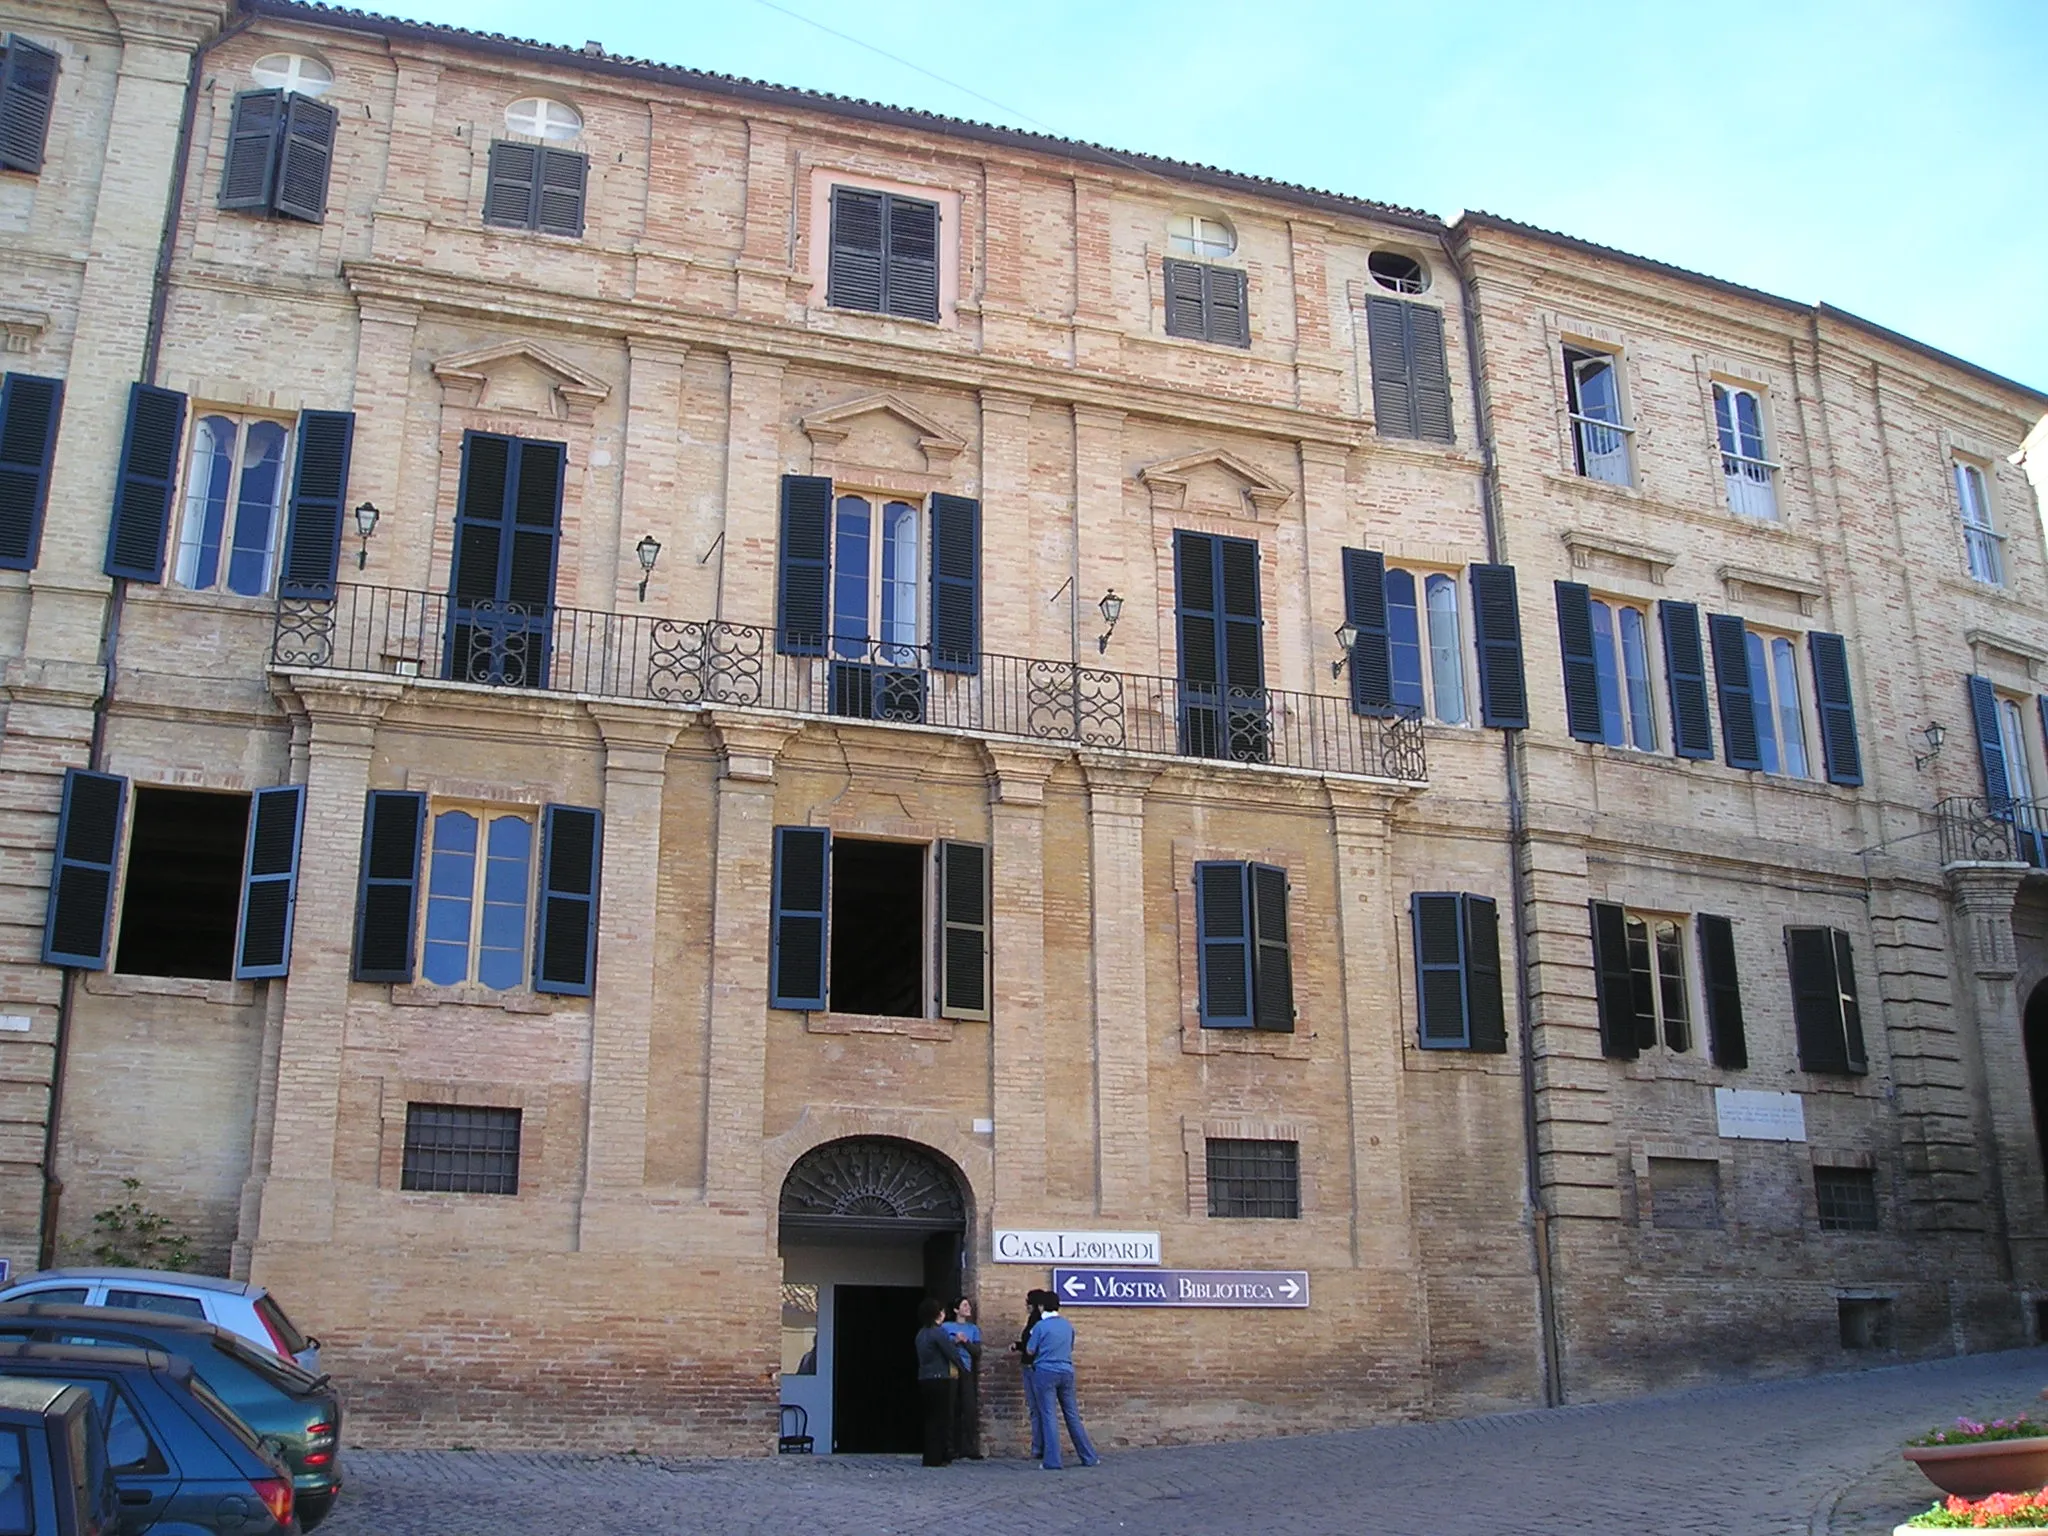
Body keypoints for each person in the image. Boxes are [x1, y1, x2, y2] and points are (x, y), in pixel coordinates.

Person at [1024, 1292, 1099, 1470]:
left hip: (1045, 1371)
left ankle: (1053, 1460)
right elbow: (1070, 1347)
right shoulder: (1067, 1325)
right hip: (1066, 1370)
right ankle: (1088, 1456)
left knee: (1049, 1415)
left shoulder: (1040, 1327)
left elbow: (1030, 1350)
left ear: (1042, 1307)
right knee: (1072, 1414)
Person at [912, 1296, 958, 1467]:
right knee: (941, 1418)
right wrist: (962, 1367)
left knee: (931, 1418)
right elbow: (950, 1352)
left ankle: (931, 1455)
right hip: (940, 1378)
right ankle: (938, 1456)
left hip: (925, 1377)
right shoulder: (938, 1332)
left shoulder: (921, 1334)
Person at [942, 1297, 984, 1459]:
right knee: (951, 1408)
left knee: (969, 1408)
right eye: (964, 1305)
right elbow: (941, 1346)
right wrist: (954, 1341)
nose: (968, 1308)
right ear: (956, 1310)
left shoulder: (973, 1329)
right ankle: (949, 1447)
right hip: (950, 1370)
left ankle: (969, 1447)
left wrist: (965, 1341)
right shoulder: (946, 1327)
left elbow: (977, 1352)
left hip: (966, 1370)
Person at [1009, 1289, 1048, 1459]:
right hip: (1036, 1366)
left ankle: (1040, 1447)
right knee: (1041, 1409)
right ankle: (1041, 1446)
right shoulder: (1040, 1322)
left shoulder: (1037, 1323)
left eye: (1028, 1303)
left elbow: (1031, 1346)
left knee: (1037, 1409)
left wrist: (1019, 1346)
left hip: (1033, 1367)